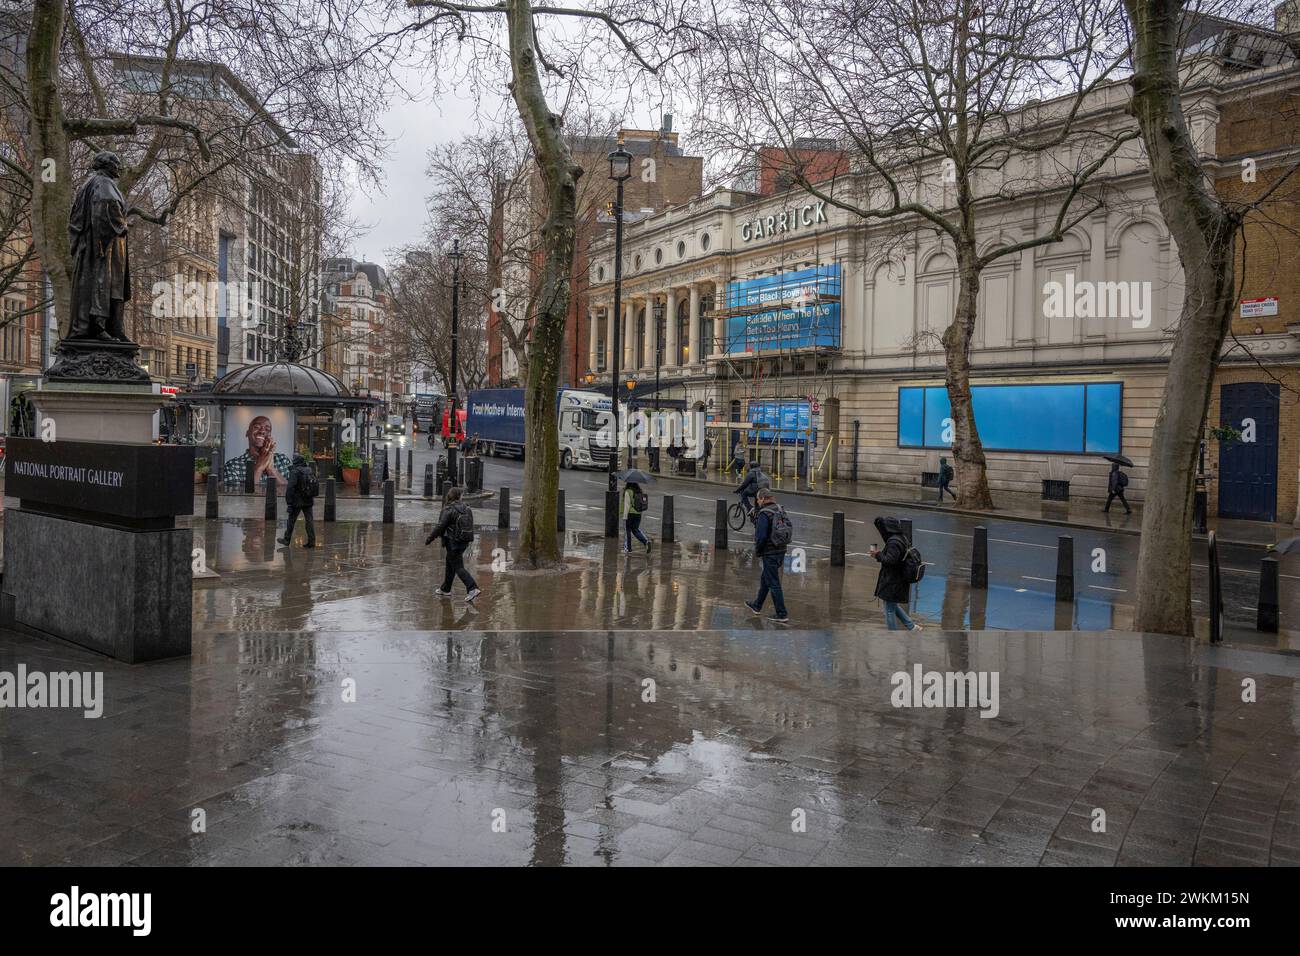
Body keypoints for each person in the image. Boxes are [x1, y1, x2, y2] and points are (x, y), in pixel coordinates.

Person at [425, 486, 481, 602]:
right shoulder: (466, 508)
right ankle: (446, 589)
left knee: (458, 567)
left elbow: (441, 526)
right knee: (450, 562)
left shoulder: (449, 509)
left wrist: (430, 538)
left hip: (452, 542)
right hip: (464, 541)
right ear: (459, 496)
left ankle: (472, 588)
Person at [744, 488, 790, 624]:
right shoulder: (779, 509)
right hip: (781, 548)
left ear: (763, 499)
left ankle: (782, 613)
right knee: (766, 578)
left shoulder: (765, 513)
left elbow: (761, 536)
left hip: (769, 551)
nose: (757, 502)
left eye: (758, 499)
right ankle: (757, 605)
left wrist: (758, 550)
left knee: (774, 583)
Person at [870, 516, 922, 631]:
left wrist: (878, 555)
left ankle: (893, 636)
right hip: (897, 579)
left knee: (889, 610)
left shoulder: (894, 542)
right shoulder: (900, 538)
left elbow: (890, 560)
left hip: (894, 580)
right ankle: (912, 627)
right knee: (893, 605)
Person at [221, 414, 292, 486]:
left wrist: (270, 468)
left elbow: (293, 493)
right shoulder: (232, 466)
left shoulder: (283, 460)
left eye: (267, 429)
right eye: (256, 427)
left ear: (270, 436)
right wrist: (259, 466)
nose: (262, 431)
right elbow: (236, 496)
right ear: (247, 433)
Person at [280, 453, 317, 548]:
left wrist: (289, 502)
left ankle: (286, 540)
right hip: (308, 499)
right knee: (309, 521)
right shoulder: (309, 470)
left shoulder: (295, 471)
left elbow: (290, 488)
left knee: (291, 521)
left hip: (297, 500)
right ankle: (312, 541)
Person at [622, 480, 652, 553]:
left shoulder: (628, 492)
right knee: (635, 530)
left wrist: (625, 517)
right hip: (638, 513)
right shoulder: (639, 491)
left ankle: (628, 549)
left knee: (627, 531)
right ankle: (645, 542)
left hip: (630, 514)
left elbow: (627, 505)